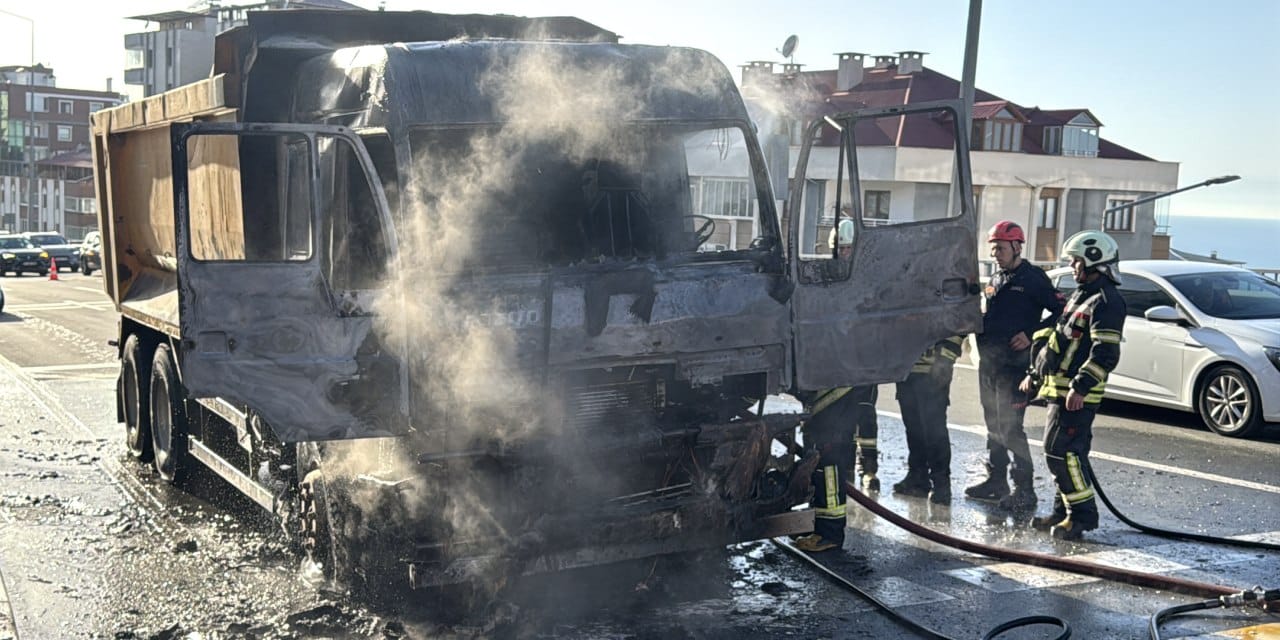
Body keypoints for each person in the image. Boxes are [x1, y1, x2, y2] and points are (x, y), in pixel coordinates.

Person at [1021, 230, 1126, 541]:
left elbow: (1106, 353)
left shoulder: (1106, 301)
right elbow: (1059, 341)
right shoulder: (1082, 295)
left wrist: (1081, 387)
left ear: (1094, 261)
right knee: (1063, 454)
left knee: (1060, 452)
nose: (1071, 266)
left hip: (1075, 395)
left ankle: (1081, 516)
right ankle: (1062, 511)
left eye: (1075, 260)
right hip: (1060, 391)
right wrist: (1035, 374)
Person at [966, 220, 1065, 511]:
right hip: (990, 365)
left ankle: (1025, 489)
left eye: (1000, 248)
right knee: (993, 425)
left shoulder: (1033, 278)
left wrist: (1032, 334)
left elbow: (1062, 312)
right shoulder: (996, 278)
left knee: (1011, 428)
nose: (995, 254)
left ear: (1016, 247)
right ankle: (996, 481)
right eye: (993, 248)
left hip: (1015, 368)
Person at [826, 218, 880, 493]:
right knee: (841, 419)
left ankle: (869, 470)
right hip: (839, 361)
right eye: (841, 248)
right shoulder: (826, 279)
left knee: (866, 415)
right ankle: (845, 470)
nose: (845, 253)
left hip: (866, 360)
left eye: (849, 248)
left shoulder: (870, 279)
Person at [892, 336, 965, 503]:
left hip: (934, 368)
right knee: (913, 426)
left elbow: (958, 324)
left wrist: (945, 358)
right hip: (906, 367)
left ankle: (941, 483)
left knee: (934, 429)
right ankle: (917, 476)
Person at [793, 386, 860, 552]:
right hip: (827, 393)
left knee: (828, 467)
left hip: (834, 395)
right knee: (819, 462)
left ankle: (829, 533)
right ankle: (817, 523)